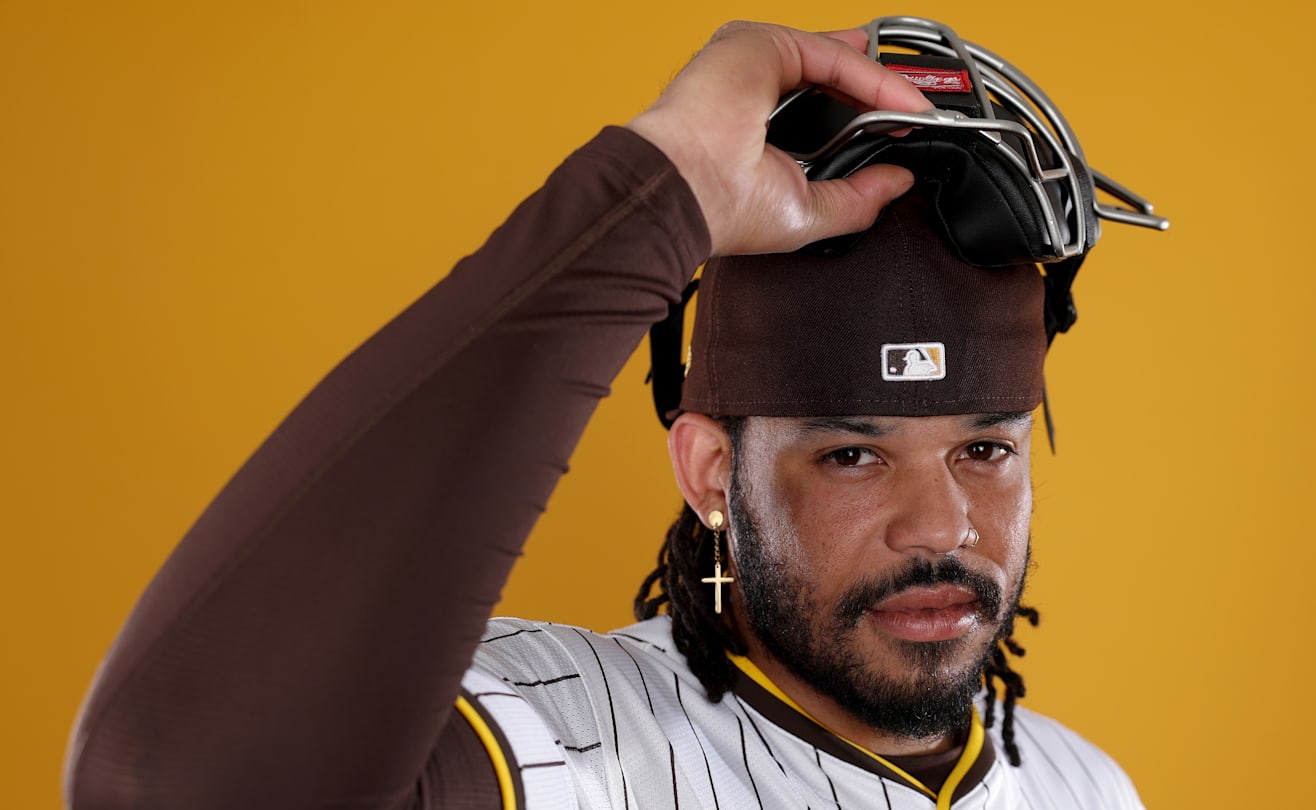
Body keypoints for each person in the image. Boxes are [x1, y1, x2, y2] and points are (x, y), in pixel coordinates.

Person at [65, 20, 1144, 810]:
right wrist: (656, 194)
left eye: (986, 447)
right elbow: (172, 780)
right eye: (854, 452)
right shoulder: (555, 733)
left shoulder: (1084, 786)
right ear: (713, 472)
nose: (943, 525)